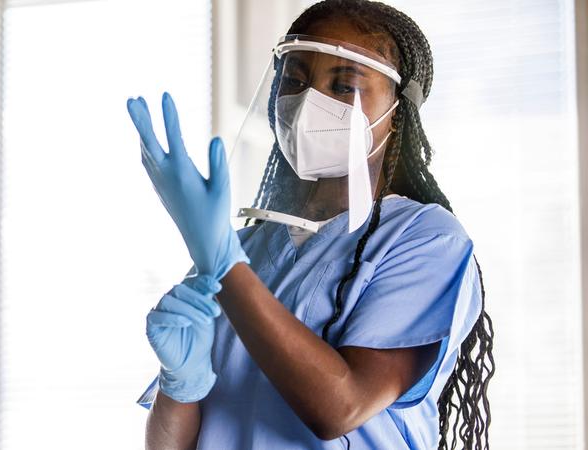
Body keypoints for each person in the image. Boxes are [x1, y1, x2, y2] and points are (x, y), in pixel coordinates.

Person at [126, 1, 495, 449]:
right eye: (296, 81)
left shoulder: (425, 240)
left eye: (344, 86)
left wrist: (222, 263)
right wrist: (179, 385)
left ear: (398, 110)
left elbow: (339, 408)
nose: (308, 103)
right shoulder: (242, 249)